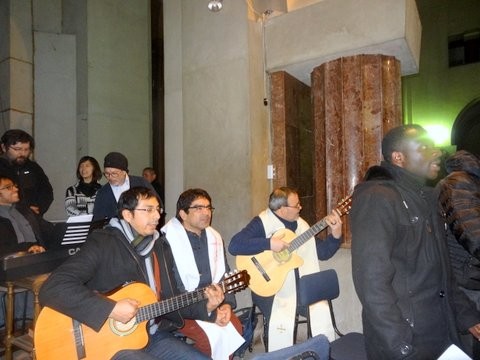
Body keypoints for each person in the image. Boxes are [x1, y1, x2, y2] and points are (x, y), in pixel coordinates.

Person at [39, 186, 222, 360]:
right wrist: (110, 309)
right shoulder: (103, 243)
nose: (157, 215)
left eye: (158, 209)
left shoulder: (160, 246)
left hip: (151, 335)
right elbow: (53, 288)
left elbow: (172, 298)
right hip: (107, 342)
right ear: (128, 215)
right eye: (148, 210)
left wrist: (207, 307)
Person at [350, 124, 480, 359]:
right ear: (398, 157)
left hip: (441, 330)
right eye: (424, 147)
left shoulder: (426, 198)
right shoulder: (377, 198)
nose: (437, 152)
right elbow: (372, 285)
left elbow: (443, 271)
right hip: (407, 339)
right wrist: (400, 344)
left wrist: (466, 315)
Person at [228, 186, 342, 352]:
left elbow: (323, 253)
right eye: (296, 206)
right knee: (280, 320)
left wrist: (336, 235)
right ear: (281, 209)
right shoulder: (262, 222)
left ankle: (321, 353)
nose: (300, 208)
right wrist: (270, 244)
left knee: (320, 311)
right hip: (268, 289)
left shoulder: (302, 226)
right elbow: (235, 245)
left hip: (299, 288)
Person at [161, 188, 244, 359]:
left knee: (235, 327)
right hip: (182, 308)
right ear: (183, 214)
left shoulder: (214, 237)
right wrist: (210, 311)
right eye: (198, 208)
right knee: (210, 339)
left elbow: (224, 273)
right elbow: (171, 289)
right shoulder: (166, 241)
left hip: (213, 301)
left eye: (208, 208)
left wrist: (226, 304)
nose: (206, 213)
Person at [437, 148, 480, 357]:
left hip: (471, 278)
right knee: (469, 347)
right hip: (467, 282)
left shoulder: (470, 182)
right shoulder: (458, 182)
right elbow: (473, 235)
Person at [0, 173, 53, 329]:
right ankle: (36, 324)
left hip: (32, 260)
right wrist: (28, 249)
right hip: (9, 266)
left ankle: (46, 324)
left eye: (14, 185)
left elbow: (47, 230)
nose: (15, 189)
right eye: (8, 187)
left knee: (66, 269)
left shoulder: (23, 210)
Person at [0, 129, 53, 215]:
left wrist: (39, 208)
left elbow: (47, 192)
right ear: (4, 147)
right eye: (17, 149)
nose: (22, 153)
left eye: (26, 150)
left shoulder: (33, 168)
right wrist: (21, 210)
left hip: (33, 219)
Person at [93, 152, 159, 221]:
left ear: (124, 172)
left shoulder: (141, 183)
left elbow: (158, 206)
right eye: (106, 174)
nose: (110, 177)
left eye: (114, 173)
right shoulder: (102, 193)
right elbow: (98, 220)